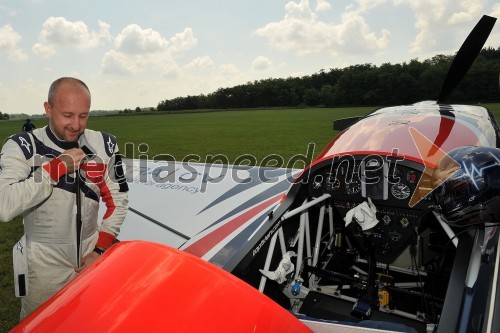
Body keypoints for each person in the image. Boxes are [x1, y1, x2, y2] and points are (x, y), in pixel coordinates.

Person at [0, 77, 129, 320]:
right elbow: (4, 206)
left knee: (88, 320)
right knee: (40, 322)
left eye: (83, 115)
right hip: (43, 262)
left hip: (91, 255)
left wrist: (100, 250)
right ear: (48, 109)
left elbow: (119, 200)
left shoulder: (105, 144)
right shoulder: (22, 145)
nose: (76, 125)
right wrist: (53, 170)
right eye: (67, 115)